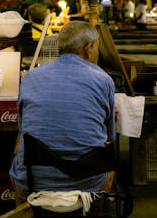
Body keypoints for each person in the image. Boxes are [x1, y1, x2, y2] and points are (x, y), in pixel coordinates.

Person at [9, 21, 116, 206]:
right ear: (89, 48)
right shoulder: (104, 80)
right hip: (88, 180)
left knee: (19, 144)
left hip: (34, 180)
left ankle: (23, 211)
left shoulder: (31, 77)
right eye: (97, 46)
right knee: (109, 158)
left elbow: (23, 129)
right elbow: (109, 136)